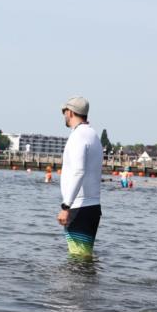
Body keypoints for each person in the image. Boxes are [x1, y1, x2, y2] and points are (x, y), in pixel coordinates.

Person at [56, 96, 103, 258]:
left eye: (64, 112)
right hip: (92, 206)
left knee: (78, 260)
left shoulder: (78, 136)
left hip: (79, 207)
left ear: (70, 112)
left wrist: (66, 206)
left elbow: (78, 171)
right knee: (84, 259)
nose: (64, 115)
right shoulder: (93, 134)